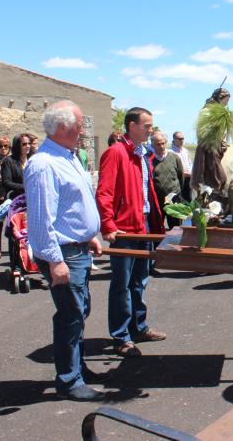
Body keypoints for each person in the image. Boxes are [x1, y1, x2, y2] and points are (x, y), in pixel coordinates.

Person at [25, 101, 108, 401]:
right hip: (63, 253)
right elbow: (40, 220)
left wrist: (89, 236)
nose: (83, 131)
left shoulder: (68, 157)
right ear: (63, 128)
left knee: (79, 311)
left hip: (77, 249)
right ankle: (69, 380)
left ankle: (77, 369)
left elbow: (71, 205)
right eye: (79, 125)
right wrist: (54, 260)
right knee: (71, 315)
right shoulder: (44, 164)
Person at [97, 106, 166, 358]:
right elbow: (104, 192)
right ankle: (121, 337)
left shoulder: (142, 154)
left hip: (142, 225)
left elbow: (146, 191)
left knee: (139, 281)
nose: (151, 130)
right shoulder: (116, 152)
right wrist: (108, 225)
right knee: (122, 285)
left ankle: (138, 327)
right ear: (132, 126)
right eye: (147, 126)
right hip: (124, 229)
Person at [150, 131, 186, 229]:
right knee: (157, 230)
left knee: (176, 229)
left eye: (163, 143)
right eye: (158, 144)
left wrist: (177, 193)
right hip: (157, 201)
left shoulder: (175, 158)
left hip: (174, 200)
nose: (161, 146)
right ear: (152, 145)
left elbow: (181, 178)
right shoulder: (149, 160)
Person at [1, 133, 32, 198]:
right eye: (24, 144)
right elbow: (6, 182)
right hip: (16, 198)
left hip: (32, 196)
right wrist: (24, 187)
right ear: (17, 146)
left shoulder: (32, 160)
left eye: (29, 143)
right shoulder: (8, 161)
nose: (28, 146)